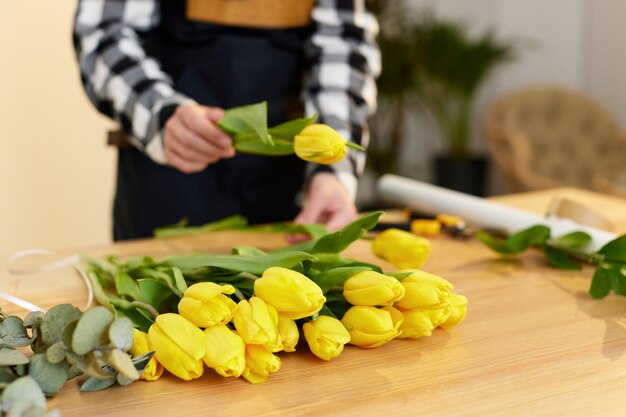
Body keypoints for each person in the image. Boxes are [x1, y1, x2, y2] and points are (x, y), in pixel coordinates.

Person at [73, 0, 381, 240]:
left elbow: (345, 42)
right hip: (167, 176)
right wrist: (160, 114)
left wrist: (333, 169)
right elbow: (104, 33)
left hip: (291, 188)